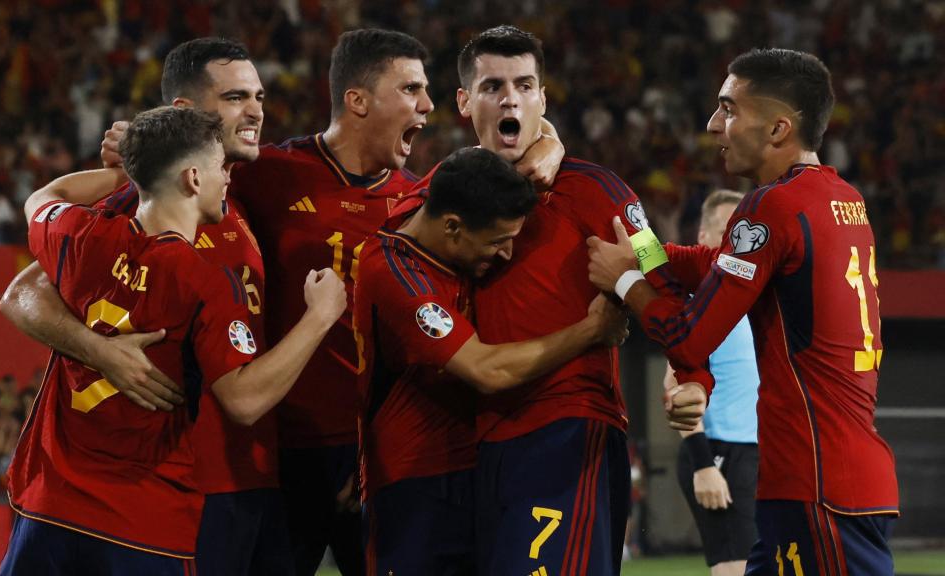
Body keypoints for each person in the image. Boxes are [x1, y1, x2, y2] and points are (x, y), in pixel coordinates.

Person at [226, 29, 564, 576]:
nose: (427, 106)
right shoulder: (266, 174)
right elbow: (172, 180)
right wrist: (125, 156)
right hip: (280, 451)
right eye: (411, 90)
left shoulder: (423, 202)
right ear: (358, 100)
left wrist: (551, 141)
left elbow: (511, 146)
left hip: (379, 453)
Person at [392, 25, 709, 576]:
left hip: (568, 431)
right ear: (466, 102)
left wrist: (692, 376)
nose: (510, 98)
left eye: (525, 85)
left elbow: (663, 282)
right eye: (493, 86)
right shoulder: (442, 191)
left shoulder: (600, 191)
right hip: (478, 443)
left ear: (543, 98)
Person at [587, 48, 898, 575]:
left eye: (729, 109)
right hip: (837, 476)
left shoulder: (769, 205)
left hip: (814, 482)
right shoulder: (843, 199)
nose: (713, 125)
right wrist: (642, 245)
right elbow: (714, 263)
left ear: (779, 129)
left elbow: (688, 339)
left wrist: (624, 279)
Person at [0, 106, 345, 574]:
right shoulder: (202, 281)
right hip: (143, 520)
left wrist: (121, 176)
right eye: (221, 166)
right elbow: (244, 399)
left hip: (52, 505)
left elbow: (45, 195)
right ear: (192, 178)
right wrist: (319, 318)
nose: (229, 177)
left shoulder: (81, 236)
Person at [354, 146, 626, 575]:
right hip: (415, 483)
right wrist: (592, 330)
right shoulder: (394, 270)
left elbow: (494, 148)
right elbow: (487, 370)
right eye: (497, 241)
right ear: (452, 227)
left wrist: (551, 142)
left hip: (478, 469)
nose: (504, 254)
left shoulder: (454, 188)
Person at [662, 189, 759, 576]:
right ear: (703, 237)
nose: (740, 241)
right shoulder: (697, 297)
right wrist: (703, 464)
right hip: (720, 452)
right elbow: (673, 383)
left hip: (755, 450)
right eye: (728, 231)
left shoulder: (754, 296)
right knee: (736, 568)